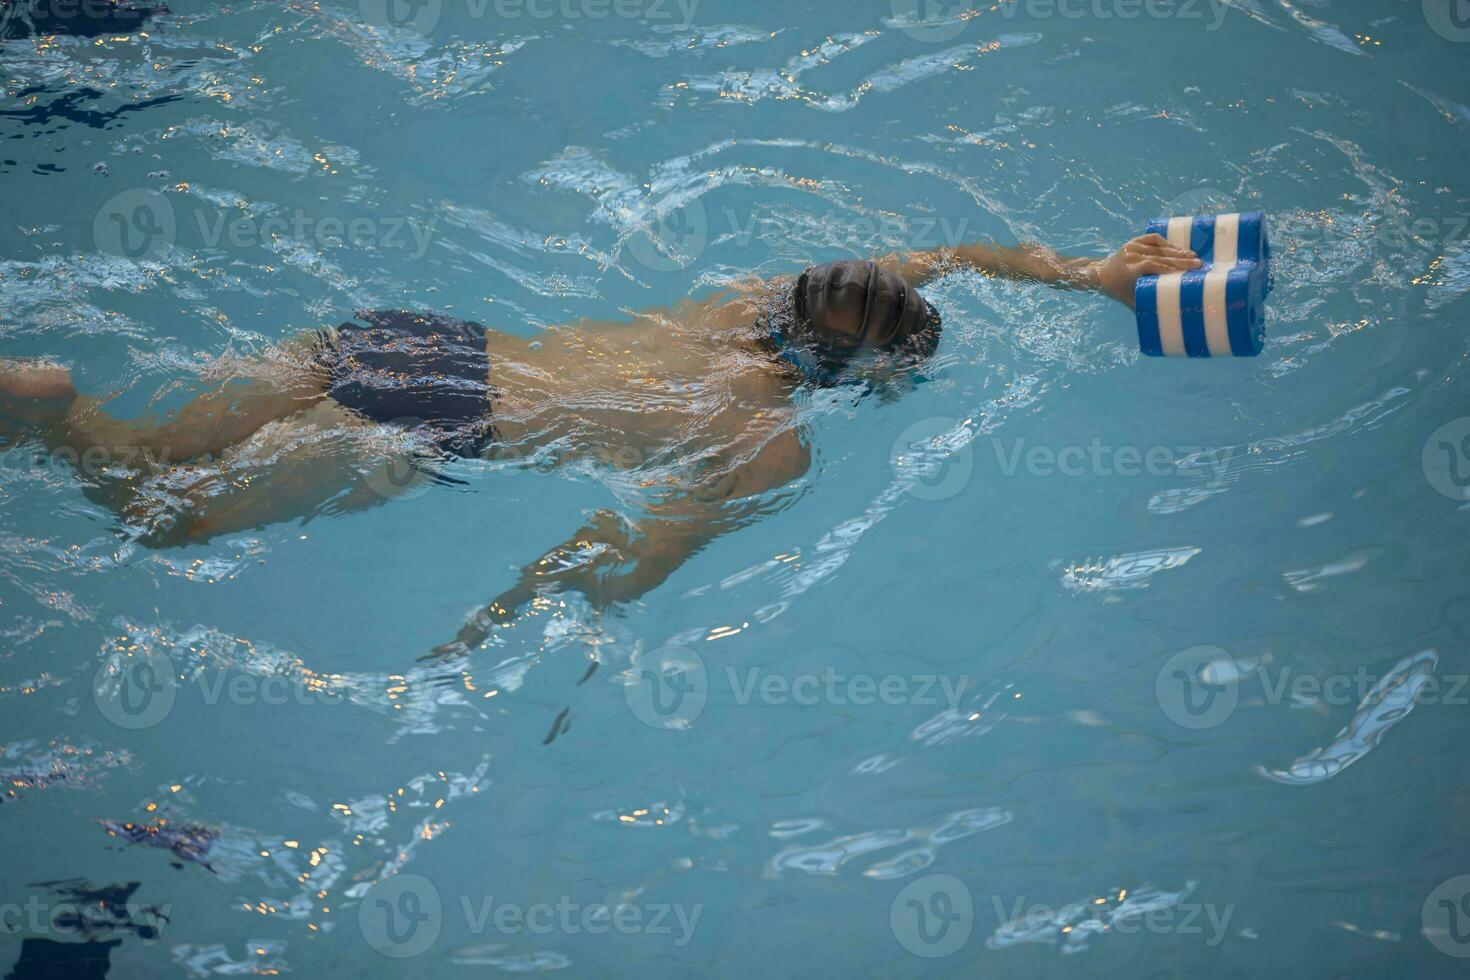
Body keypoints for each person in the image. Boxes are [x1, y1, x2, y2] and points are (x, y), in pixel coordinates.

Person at [0, 234, 1201, 654]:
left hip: (400, 343)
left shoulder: (745, 293)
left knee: (157, 454)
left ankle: (55, 399)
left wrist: (1087, 272)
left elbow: (944, 254)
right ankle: (47, 414)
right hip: (434, 426)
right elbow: (600, 552)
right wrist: (493, 629)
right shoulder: (763, 443)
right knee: (155, 516)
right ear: (861, 371)